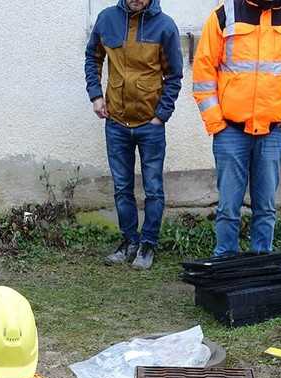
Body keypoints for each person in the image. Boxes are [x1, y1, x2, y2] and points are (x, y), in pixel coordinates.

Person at [192, 1, 281, 259]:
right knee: (228, 207)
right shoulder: (224, 13)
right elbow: (203, 70)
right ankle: (225, 264)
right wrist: (216, 122)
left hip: (274, 131)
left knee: (265, 207)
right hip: (230, 130)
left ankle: (262, 266)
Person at [85, 0, 183, 271]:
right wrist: (95, 95)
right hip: (116, 122)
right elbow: (93, 57)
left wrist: (160, 115)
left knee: (153, 189)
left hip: (150, 126)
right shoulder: (106, 19)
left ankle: (148, 244)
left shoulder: (165, 26)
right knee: (121, 188)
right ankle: (129, 241)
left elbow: (174, 76)